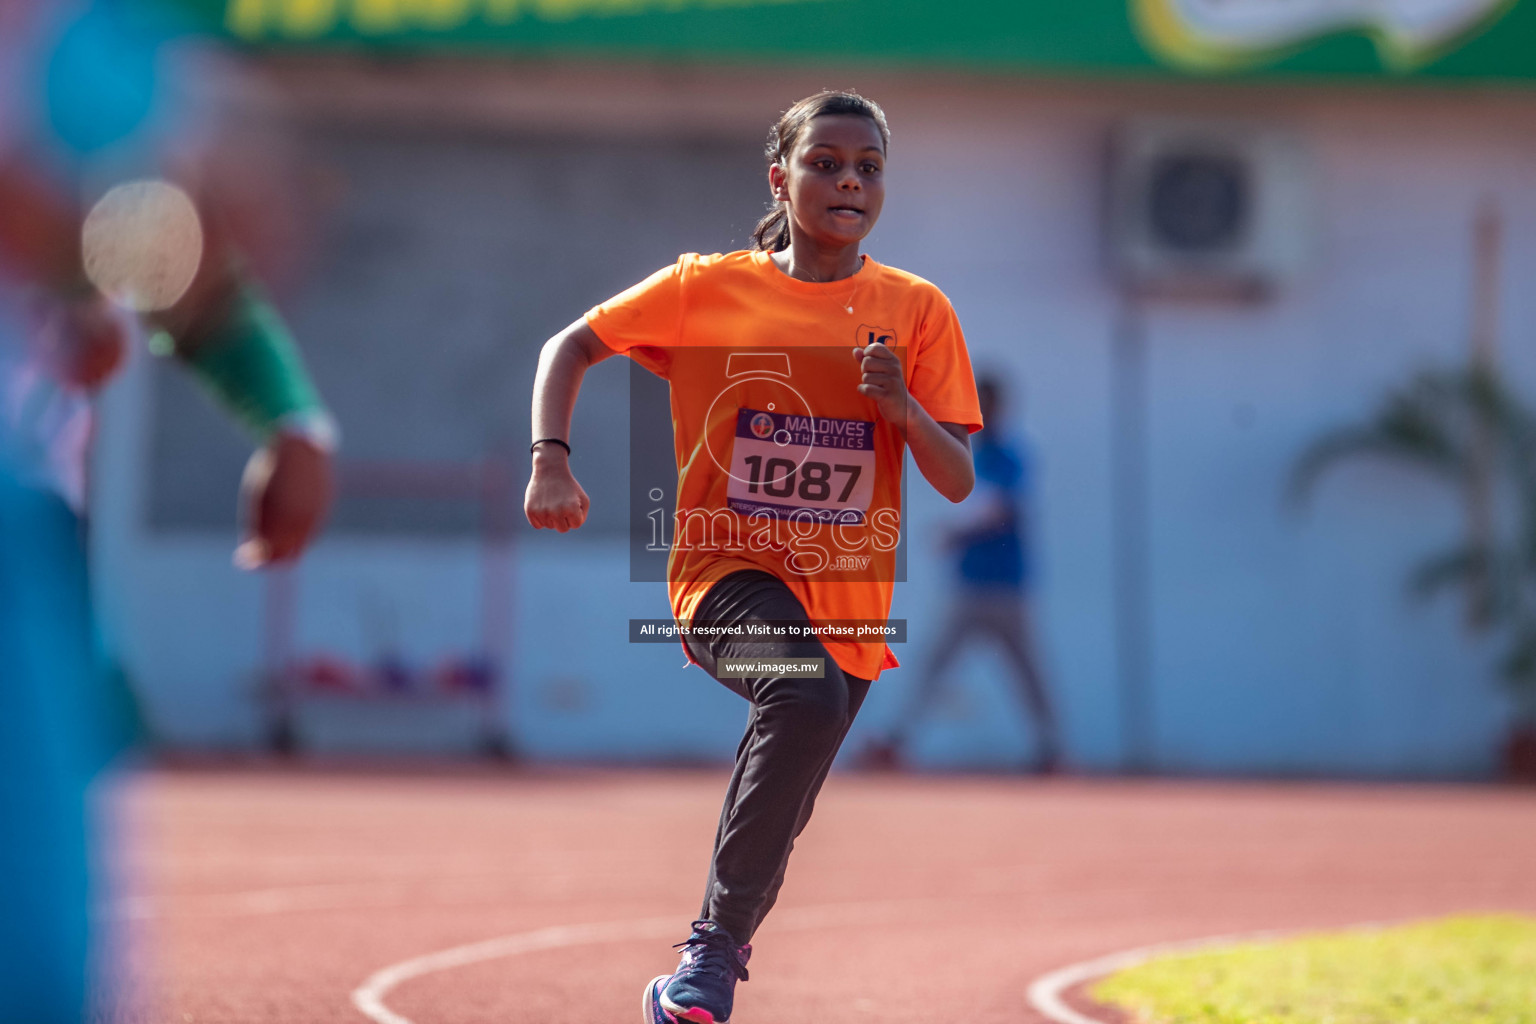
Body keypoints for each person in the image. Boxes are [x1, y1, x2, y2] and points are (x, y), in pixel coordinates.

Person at [525, 90, 982, 1024]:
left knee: (800, 758)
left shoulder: (917, 311)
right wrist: (552, 463)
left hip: (848, 604)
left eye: (868, 166)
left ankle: (701, 971)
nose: (848, 180)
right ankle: (709, 961)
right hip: (720, 579)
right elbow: (569, 346)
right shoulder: (704, 289)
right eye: (825, 162)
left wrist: (902, 411)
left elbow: (958, 478)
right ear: (782, 177)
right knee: (803, 695)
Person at [0, 3, 334, 1019]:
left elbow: (192, 235)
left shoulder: (80, 47)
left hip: (23, 532)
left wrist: (287, 415)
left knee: (42, 959)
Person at [861, 374, 1061, 773]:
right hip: (967, 586)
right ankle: (895, 741)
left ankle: (1051, 750)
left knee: (1029, 673)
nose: (981, 414)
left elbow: (1003, 509)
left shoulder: (1011, 455)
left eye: (987, 405)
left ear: (1000, 408)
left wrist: (955, 534)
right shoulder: (969, 453)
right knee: (932, 664)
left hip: (1006, 587)